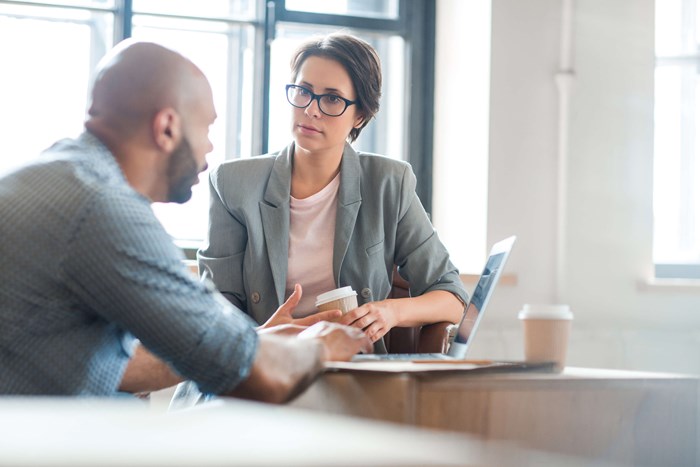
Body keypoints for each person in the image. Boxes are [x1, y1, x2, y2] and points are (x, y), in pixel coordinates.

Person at [0, 39, 372, 399]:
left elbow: (126, 364)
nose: (210, 148)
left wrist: (254, 340)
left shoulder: (54, 175)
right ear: (166, 128)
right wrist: (324, 346)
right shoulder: (105, 211)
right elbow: (256, 378)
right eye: (206, 128)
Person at [199, 33, 469, 353]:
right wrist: (265, 334)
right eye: (303, 91)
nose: (311, 110)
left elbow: (453, 298)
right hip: (261, 364)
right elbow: (215, 308)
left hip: (353, 369)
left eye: (331, 99)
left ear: (360, 115)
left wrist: (391, 311)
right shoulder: (233, 183)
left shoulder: (388, 183)